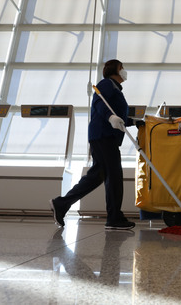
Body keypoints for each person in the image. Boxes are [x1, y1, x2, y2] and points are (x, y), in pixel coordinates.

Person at [50, 59, 136, 230]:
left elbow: (117, 115)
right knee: (114, 176)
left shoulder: (115, 88)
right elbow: (100, 104)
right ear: (115, 70)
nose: (124, 71)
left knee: (99, 175)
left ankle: (62, 204)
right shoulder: (106, 84)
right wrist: (110, 118)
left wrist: (136, 121)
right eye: (122, 68)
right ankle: (113, 217)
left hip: (104, 136)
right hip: (104, 136)